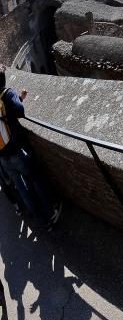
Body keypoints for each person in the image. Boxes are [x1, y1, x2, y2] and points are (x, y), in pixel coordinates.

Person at [0, 65, 62, 228]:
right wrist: (18, 97)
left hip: (2, 156)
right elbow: (20, 111)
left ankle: (39, 219)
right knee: (35, 179)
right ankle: (50, 214)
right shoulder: (7, 93)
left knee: (21, 188)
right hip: (15, 150)